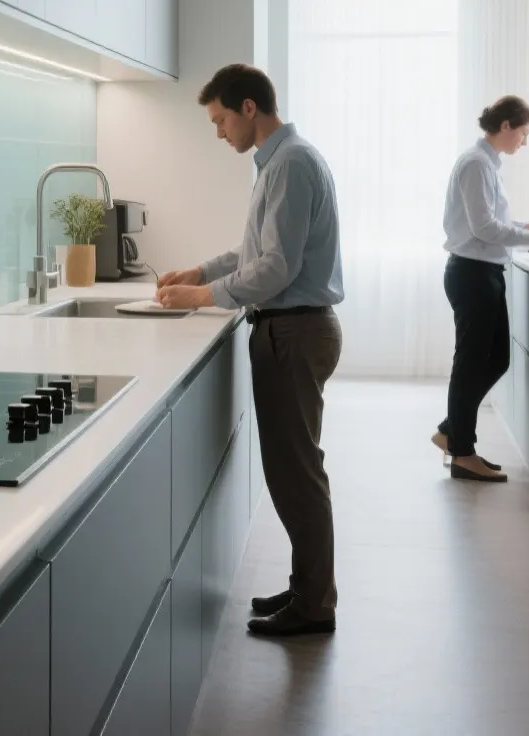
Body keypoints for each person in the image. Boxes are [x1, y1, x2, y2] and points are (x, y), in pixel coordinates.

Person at [155, 63, 345, 637]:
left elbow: (275, 269)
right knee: (292, 471)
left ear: (248, 109)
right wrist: (201, 269)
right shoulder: (280, 163)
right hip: (291, 330)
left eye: (219, 122)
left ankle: (314, 607)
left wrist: (202, 294)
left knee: (297, 475)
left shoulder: (290, 163)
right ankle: (307, 587)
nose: (219, 134)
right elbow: (256, 249)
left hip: (295, 331)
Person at [435, 95, 529, 482]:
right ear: (506, 125)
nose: (524, 142)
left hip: (483, 272)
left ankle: (452, 431)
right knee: (472, 362)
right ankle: (462, 451)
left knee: (495, 359)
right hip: (472, 274)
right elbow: (485, 229)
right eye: (524, 133)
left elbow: (497, 222)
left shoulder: (486, 165)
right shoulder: (476, 165)